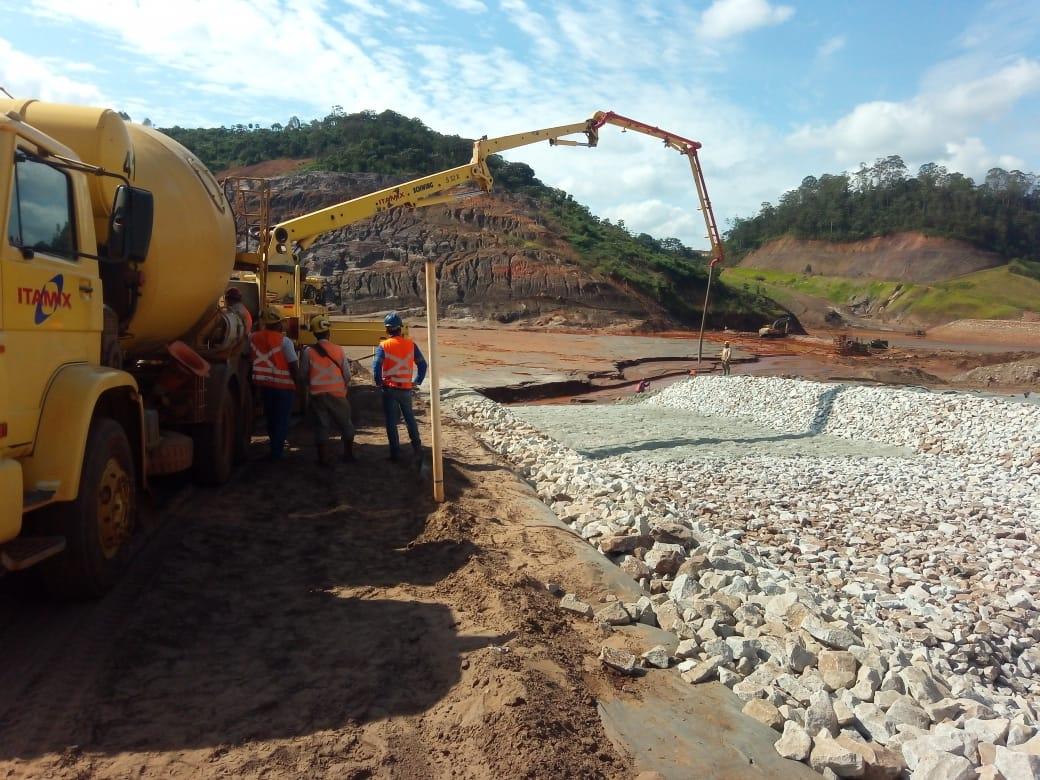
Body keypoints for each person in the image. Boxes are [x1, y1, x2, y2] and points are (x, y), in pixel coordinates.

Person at [300, 314, 355, 465]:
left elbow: (303, 374)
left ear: (314, 333)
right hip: (337, 394)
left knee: (322, 426)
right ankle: (348, 455)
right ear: (328, 333)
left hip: (318, 395)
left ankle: (323, 459)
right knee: (346, 424)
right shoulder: (338, 350)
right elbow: (347, 375)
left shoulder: (307, 352)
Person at [373, 311, 427, 462]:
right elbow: (422, 364)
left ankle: (395, 453)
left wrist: (379, 382)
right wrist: (417, 380)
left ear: (387, 329)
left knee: (391, 421)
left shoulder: (383, 345)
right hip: (405, 389)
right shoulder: (411, 345)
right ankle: (417, 448)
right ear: (400, 328)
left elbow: (376, 366)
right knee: (409, 418)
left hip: (389, 389)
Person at [250, 308, 299, 460]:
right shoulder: (284, 341)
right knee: (282, 420)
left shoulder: (252, 338)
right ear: (279, 324)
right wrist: (297, 385)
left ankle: (274, 447)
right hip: (284, 388)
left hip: (265, 386)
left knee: (271, 418)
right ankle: (276, 453)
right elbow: (293, 365)